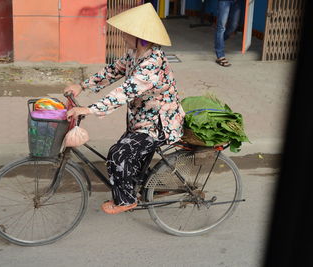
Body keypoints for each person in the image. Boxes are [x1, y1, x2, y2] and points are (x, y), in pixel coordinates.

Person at [64, 3, 185, 214]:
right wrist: (81, 86)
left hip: (158, 124)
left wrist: (90, 109)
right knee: (126, 151)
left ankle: (126, 200)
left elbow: (126, 91)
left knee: (118, 154)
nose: (122, 36)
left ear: (141, 37)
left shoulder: (152, 62)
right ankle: (148, 185)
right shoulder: (133, 54)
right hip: (140, 120)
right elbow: (112, 71)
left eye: (127, 33)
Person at [214, 0, 242, 67]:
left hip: (236, 2)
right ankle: (220, 55)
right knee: (221, 27)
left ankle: (219, 42)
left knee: (233, 26)